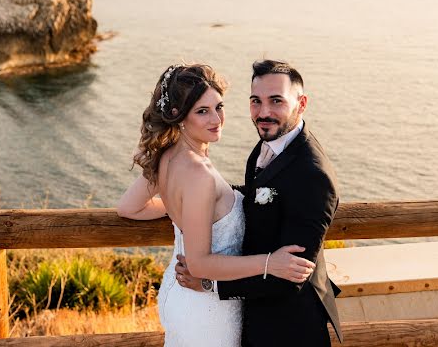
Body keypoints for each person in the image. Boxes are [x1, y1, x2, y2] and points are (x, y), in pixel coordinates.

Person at [117, 63, 316, 347]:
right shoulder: (198, 173)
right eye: (202, 111)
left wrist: (183, 209)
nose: (216, 119)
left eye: (219, 107)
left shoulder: (167, 156)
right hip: (205, 311)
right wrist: (271, 263)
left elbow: (129, 207)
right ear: (180, 117)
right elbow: (199, 264)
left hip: (179, 295)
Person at [175, 59, 342, 347]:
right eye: (256, 101)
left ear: (301, 104)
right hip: (256, 316)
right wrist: (194, 199)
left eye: (276, 101)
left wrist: (209, 284)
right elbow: (258, 194)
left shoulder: (314, 176)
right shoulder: (269, 143)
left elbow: (292, 276)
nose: (263, 113)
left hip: (290, 327)